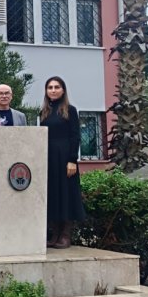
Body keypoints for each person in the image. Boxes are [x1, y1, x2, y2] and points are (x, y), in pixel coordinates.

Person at [41, 76, 85, 249]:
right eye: (50, 87)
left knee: (66, 194)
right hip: (49, 158)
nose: (53, 90)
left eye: (56, 87)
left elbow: (75, 136)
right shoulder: (43, 112)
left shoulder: (70, 110)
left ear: (63, 90)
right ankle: (55, 234)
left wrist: (72, 160)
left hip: (65, 158)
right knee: (53, 195)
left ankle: (65, 235)